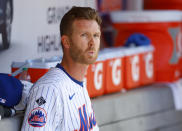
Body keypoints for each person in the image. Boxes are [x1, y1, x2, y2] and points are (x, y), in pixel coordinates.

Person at [21, 6, 101, 131]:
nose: (92, 43)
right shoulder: (50, 89)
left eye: (96, 35)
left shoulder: (79, 83)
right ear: (66, 42)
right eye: (84, 35)